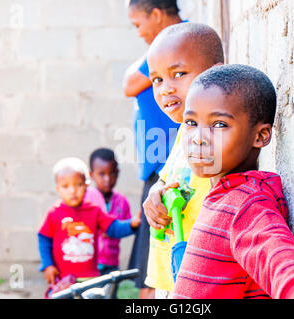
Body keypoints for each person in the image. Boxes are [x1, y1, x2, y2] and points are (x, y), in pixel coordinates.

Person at [173, 64, 294, 299]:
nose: (198, 138)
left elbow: (278, 258)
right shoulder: (222, 194)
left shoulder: (247, 203)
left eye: (219, 125)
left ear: (260, 136)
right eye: (191, 123)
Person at [142, 22, 224, 298]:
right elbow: (167, 177)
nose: (165, 89)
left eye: (178, 74)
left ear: (214, 73)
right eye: (157, 79)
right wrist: (155, 194)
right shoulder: (184, 131)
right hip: (169, 273)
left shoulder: (221, 135)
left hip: (201, 275)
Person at [124, 0, 183, 299]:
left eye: (138, 24)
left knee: (153, 273)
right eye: (158, 79)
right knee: (151, 267)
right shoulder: (166, 45)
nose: (138, 33)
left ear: (157, 15)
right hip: (158, 167)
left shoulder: (177, 41)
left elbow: (130, 83)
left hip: (168, 164)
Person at [37, 157, 141, 289]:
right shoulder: (54, 213)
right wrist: (47, 265)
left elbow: (113, 228)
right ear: (58, 189)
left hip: (90, 279)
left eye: (78, 185)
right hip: (63, 280)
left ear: (86, 186)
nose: (72, 191)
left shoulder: (94, 210)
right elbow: (43, 239)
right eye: (65, 186)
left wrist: (132, 224)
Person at [84, 148, 132, 276]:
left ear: (117, 173)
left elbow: (127, 226)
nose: (107, 179)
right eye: (102, 174)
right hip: (90, 263)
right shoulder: (86, 198)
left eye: (112, 173)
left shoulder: (122, 201)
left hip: (112, 262)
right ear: (91, 174)